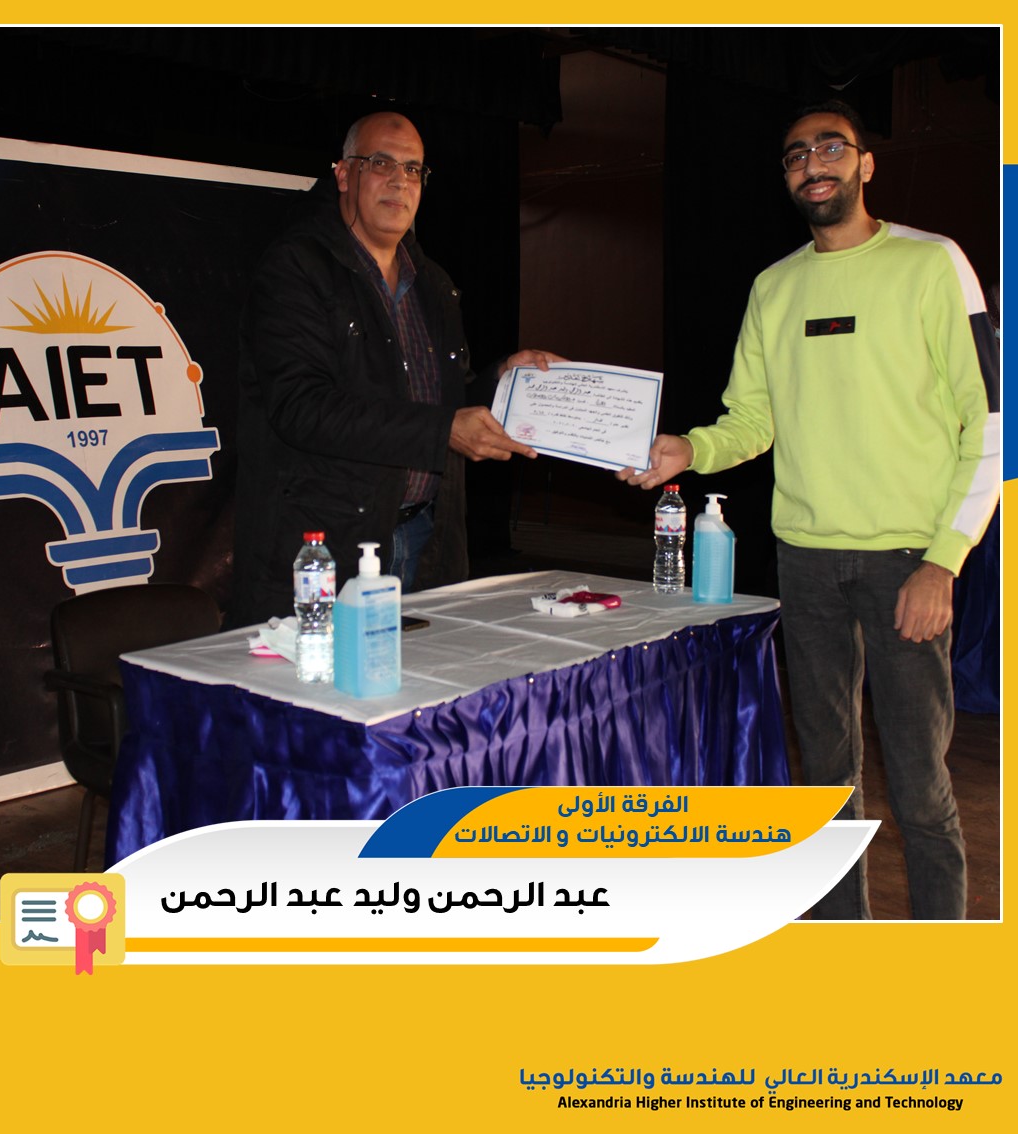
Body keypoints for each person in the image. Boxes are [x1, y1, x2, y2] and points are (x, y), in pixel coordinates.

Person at [619, 100, 999, 919]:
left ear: (866, 164)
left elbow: (992, 422)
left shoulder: (934, 263)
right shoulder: (775, 287)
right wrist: (689, 449)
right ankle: (839, 947)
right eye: (796, 155)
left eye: (831, 148)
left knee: (920, 781)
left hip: (908, 563)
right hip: (807, 563)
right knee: (826, 780)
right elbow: (752, 420)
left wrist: (944, 560)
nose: (813, 164)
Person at [228, 112, 559, 626]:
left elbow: (445, 404)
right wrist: (444, 430)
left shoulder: (434, 284)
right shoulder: (295, 268)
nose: (399, 181)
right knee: (328, 679)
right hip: (331, 548)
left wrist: (505, 380)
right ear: (344, 174)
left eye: (413, 169)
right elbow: (302, 408)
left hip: (427, 541)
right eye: (381, 163)